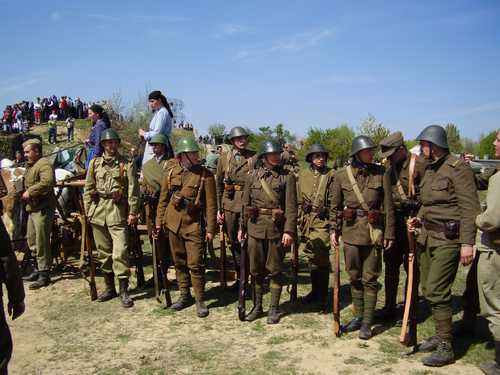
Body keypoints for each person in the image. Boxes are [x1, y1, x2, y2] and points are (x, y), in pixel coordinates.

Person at [407, 125, 480, 367]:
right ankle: (440, 334)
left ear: (433, 145)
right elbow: (427, 201)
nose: (421, 150)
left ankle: (446, 346)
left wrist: (467, 243)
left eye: (423, 145)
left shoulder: (458, 169)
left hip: (449, 240)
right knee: (428, 288)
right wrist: (418, 217)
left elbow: (470, 209)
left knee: (437, 290)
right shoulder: (430, 169)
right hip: (427, 237)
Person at [330, 135, 395, 339]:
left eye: (371, 150)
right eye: (367, 151)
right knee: (354, 277)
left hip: (372, 233)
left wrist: (389, 232)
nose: (371, 153)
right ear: (357, 153)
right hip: (350, 233)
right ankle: (358, 316)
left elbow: (388, 206)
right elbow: (334, 206)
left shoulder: (381, 172)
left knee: (371, 278)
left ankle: (367, 322)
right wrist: (334, 229)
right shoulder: (341, 175)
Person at [155, 137, 217, 318]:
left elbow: (212, 205)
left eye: (196, 153)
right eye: (192, 153)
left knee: (196, 263)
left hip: (193, 225)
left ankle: (200, 299)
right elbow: (163, 199)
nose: (196, 156)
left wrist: (211, 229)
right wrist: (159, 222)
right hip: (173, 224)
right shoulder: (170, 172)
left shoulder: (205, 175)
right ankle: (184, 295)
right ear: (182, 156)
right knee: (179, 262)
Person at [238, 140, 298, 324]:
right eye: (272, 154)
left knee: (275, 270)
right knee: (255, 271)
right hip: (255, 228)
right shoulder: (252, 176)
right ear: (264, 157)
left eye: (278, 154)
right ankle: (257, 306)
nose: (276, 156)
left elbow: (291, 207)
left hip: (275, 230)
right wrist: (242, 227)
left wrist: (289, 231)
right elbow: (245, 205)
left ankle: (274, 308)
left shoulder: (286, 177)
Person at [83, 128, 139, 308]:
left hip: (118, 212)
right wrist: (89, 211)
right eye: (108, 143)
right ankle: (110, 288)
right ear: (103, 145)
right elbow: (88, 189)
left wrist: (132, 212)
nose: (111, 146)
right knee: (103, 253)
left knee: (120, 251)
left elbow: (133, 190)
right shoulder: (94, 164)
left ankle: (124, 290)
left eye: (114, 142)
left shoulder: (126, 163)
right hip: (98, 213)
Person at [376, 132, 427, 322]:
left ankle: (409, 310)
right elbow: (387, 202)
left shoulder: (420, 165)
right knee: (390, 266)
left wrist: (417, 205)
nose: (388, 157)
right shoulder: (389, 170)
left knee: (412, 268)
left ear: (401, 149)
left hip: (414, 223)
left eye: (391, 153)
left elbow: (429, 194)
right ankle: (389, 307)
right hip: (394, 223)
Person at [216, 127, 257, 290]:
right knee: (233, 241)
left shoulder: (254, 157)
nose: (242, 140)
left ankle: (249, 276)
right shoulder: (224, 158)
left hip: (249, 204)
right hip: (230, 204)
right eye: (238, 138)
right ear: (232, 141)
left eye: (244, 138)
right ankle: (240, 276)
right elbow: (219, 184)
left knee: (248, 241)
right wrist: (219, 208)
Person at [297, 144, 334, 311]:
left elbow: (335, 199)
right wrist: (300, 212)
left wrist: (327, 210)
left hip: (322, 220)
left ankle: (323, 294)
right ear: (310, 158)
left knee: (322, 256)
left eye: (322, 155)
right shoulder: (303, 175)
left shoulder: (331, 174)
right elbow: (298, 198)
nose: (320, 158)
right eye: (316, 155)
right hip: (306, 221)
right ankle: (315, 291)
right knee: (311, 255)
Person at [476, 129, 500, 375]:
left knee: (495, 305)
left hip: (495, 249)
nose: (494, 143)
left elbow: (493, 219)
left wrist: (476, 219)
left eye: (499, 140)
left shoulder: (499, 178)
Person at [21, 139, 56, 289]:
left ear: (36, 151)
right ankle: (36, 269)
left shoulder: (44, 164)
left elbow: (48, 182)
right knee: (32, 239)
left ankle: (44, 273)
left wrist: (30, 191)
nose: (25, 155)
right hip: (32, 208)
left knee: (42, 241)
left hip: (42, 208)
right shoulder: (31, 166)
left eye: (28, 152)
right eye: (25, 152)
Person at [140, 134, 172, 270]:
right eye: (153, 145)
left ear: (164, 146)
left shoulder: (171, 163)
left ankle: (167, 264)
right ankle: (157, 267)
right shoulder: (147, 165)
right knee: (152, 235)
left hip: (166, 204)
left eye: (158, 145)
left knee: (167, 236)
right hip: (150, 205)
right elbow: (143, 183)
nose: (155, 148)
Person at [139, 90, 173, 168]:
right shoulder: (159, 112)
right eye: (150, 102)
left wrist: (144, 134)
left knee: (152, 169)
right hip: (155, 145)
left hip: (158, 146)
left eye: (152, 101)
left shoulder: (162, 113)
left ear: (159, 100)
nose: (151, 104)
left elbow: (157, 133)